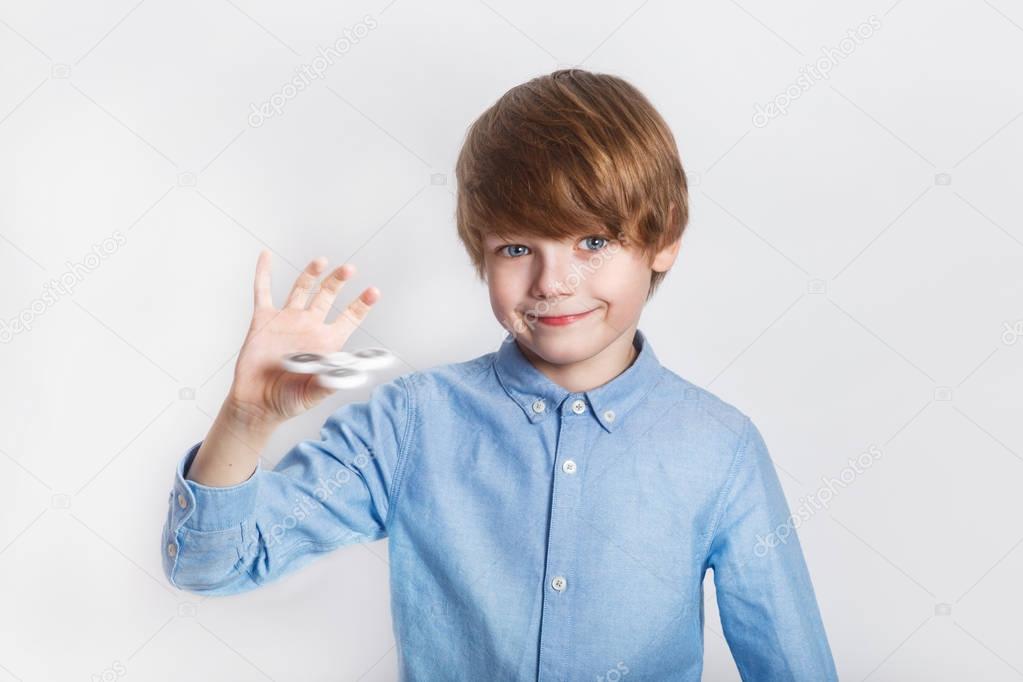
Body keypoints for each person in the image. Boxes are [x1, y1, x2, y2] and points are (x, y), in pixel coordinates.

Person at [161, 68, 838, 681]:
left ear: (662, 242)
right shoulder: (411, 422)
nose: (553, 281)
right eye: (517, 247)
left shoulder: (718, 447)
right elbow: (212, 565)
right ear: (479, 256)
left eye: (593, 242)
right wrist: (245, 422)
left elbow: (791, 663)